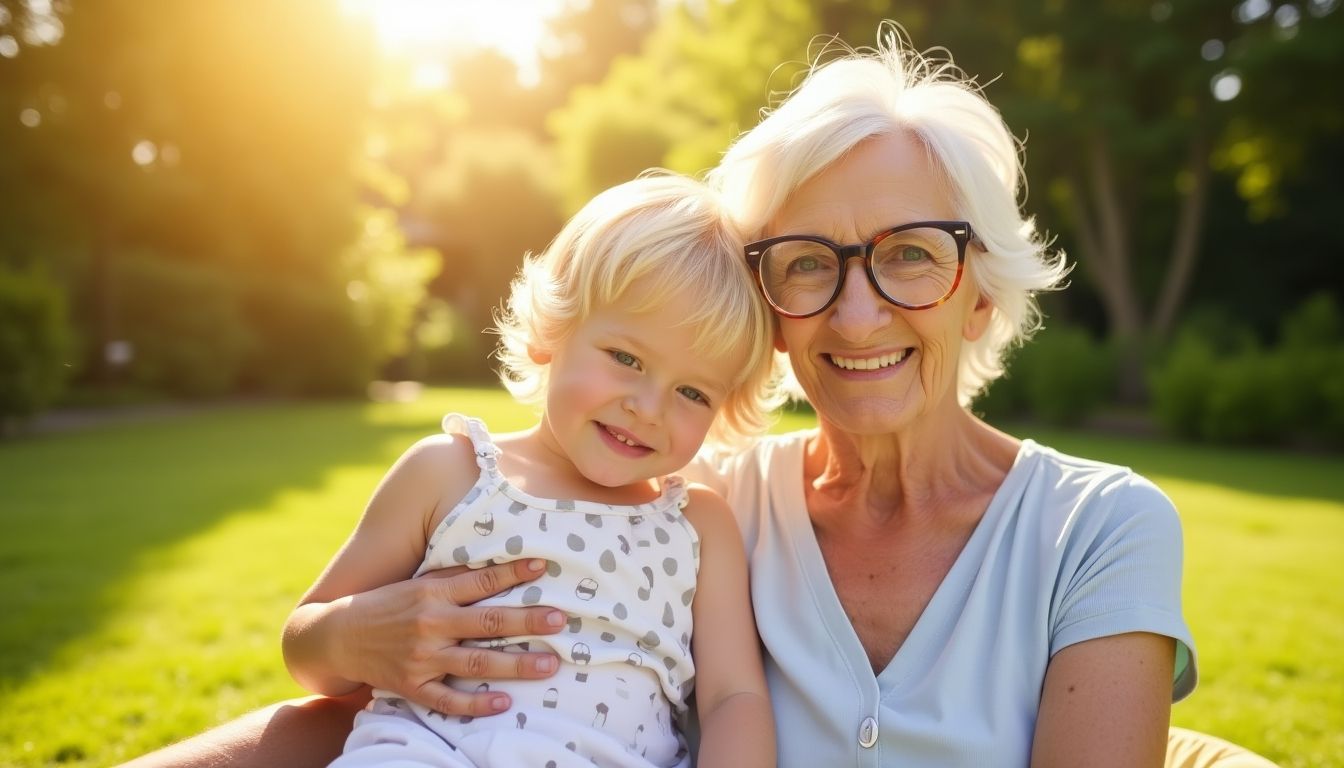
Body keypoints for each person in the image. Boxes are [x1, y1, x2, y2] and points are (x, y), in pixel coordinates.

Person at [122, 24, 1279, 768]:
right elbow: (373, 690)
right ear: (764, 306)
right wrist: (356, 641)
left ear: (982, 291)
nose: (858, 312)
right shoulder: (692, 497)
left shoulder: (1101, 528)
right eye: (809, 262)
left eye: (913, 254)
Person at [281, 173, 778, 768]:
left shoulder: (699, 524)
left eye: (693, 392)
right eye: (626, 358)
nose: (647, 408)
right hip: (424, 753)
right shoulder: (450, 474)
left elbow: (734, 697)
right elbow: (305, 647)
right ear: (553, 330)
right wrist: (350, 636)